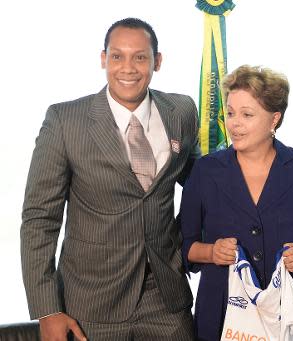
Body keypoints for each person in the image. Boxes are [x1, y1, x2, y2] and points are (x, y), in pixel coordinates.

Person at [20, 17, 199, 341]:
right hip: (90, 304)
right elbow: (39, 219)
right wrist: (47, 311)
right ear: (104, 59)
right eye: (117, 56)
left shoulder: (182, 111)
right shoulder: (65, 122)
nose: (127, 68)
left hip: (166, 299)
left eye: (140, 57)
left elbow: (202, 185)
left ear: (157, 62)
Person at [179, 65, 293, 341]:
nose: (234, 123)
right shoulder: (205, 171)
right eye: (231, 113)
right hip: (224, 318)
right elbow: (182, 243)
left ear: (274, 119)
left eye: (247, 115)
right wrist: (211, 252)